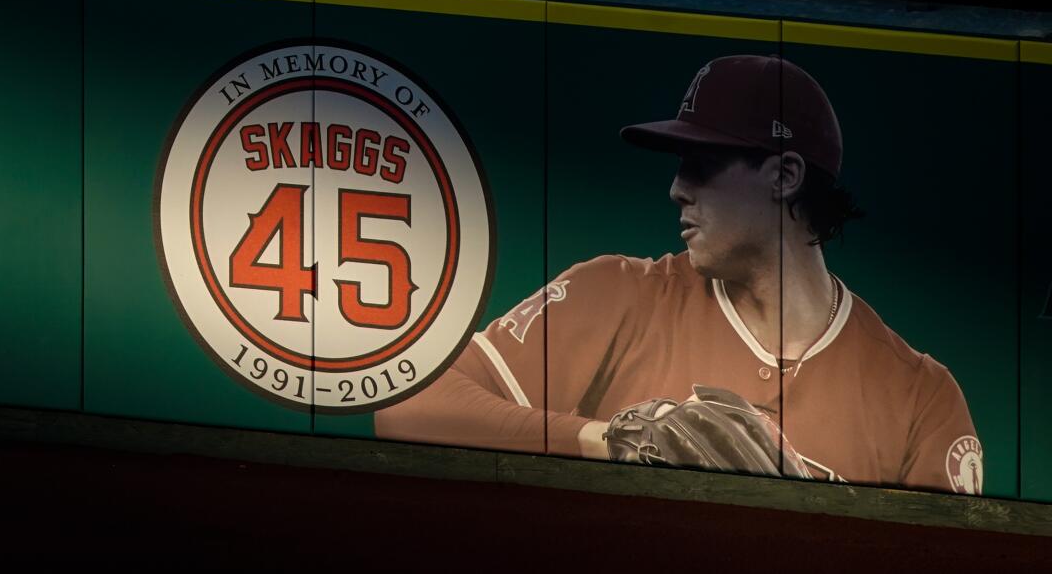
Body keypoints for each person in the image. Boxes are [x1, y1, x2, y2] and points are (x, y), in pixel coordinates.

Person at [373, 54, 984, 493]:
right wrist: (610, 440)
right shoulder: (616, 293)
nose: (676, 188)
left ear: (784, 175)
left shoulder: (921, 399)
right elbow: (407, 408)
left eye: (702, 163)